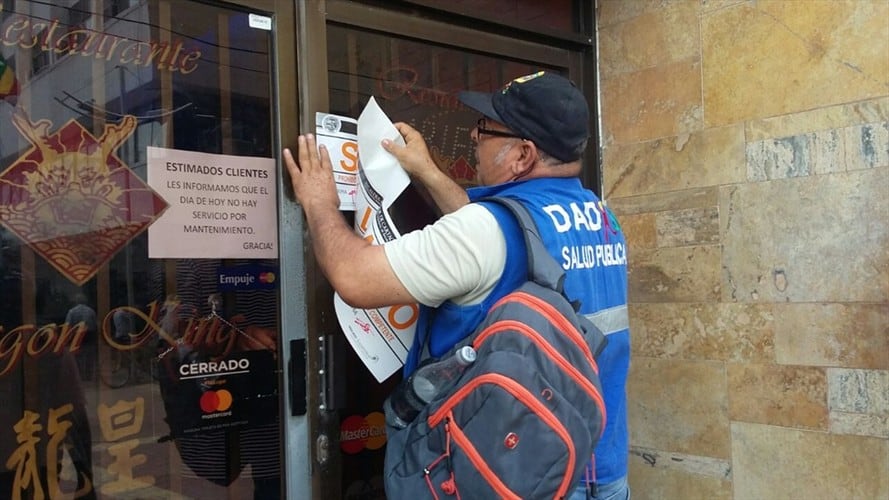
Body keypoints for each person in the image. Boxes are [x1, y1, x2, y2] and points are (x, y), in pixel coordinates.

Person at [283, 70, 630, 500]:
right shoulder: (600, 218)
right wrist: (427, 171)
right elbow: (506, 239)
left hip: (511, 472)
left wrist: (319, 203)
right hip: (598, 466)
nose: (472, 134)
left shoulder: (484, 232)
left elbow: (353, 277)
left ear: (523, 155)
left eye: (486, 128)